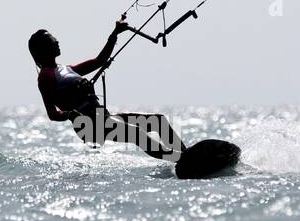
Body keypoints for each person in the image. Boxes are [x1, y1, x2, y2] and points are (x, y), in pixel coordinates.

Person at [28, 23, 187, 160]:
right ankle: (179, 159)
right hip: (89, 125)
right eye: (51, 39)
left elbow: (99, 61)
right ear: (43, 48)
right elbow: (52, 114)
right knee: (137, 133)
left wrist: (115, 33)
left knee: (158, 121)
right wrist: (70, 114)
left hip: (103, 118)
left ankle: (186, 155)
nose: (57, 41)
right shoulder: (45, 76)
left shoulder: (65, 69)